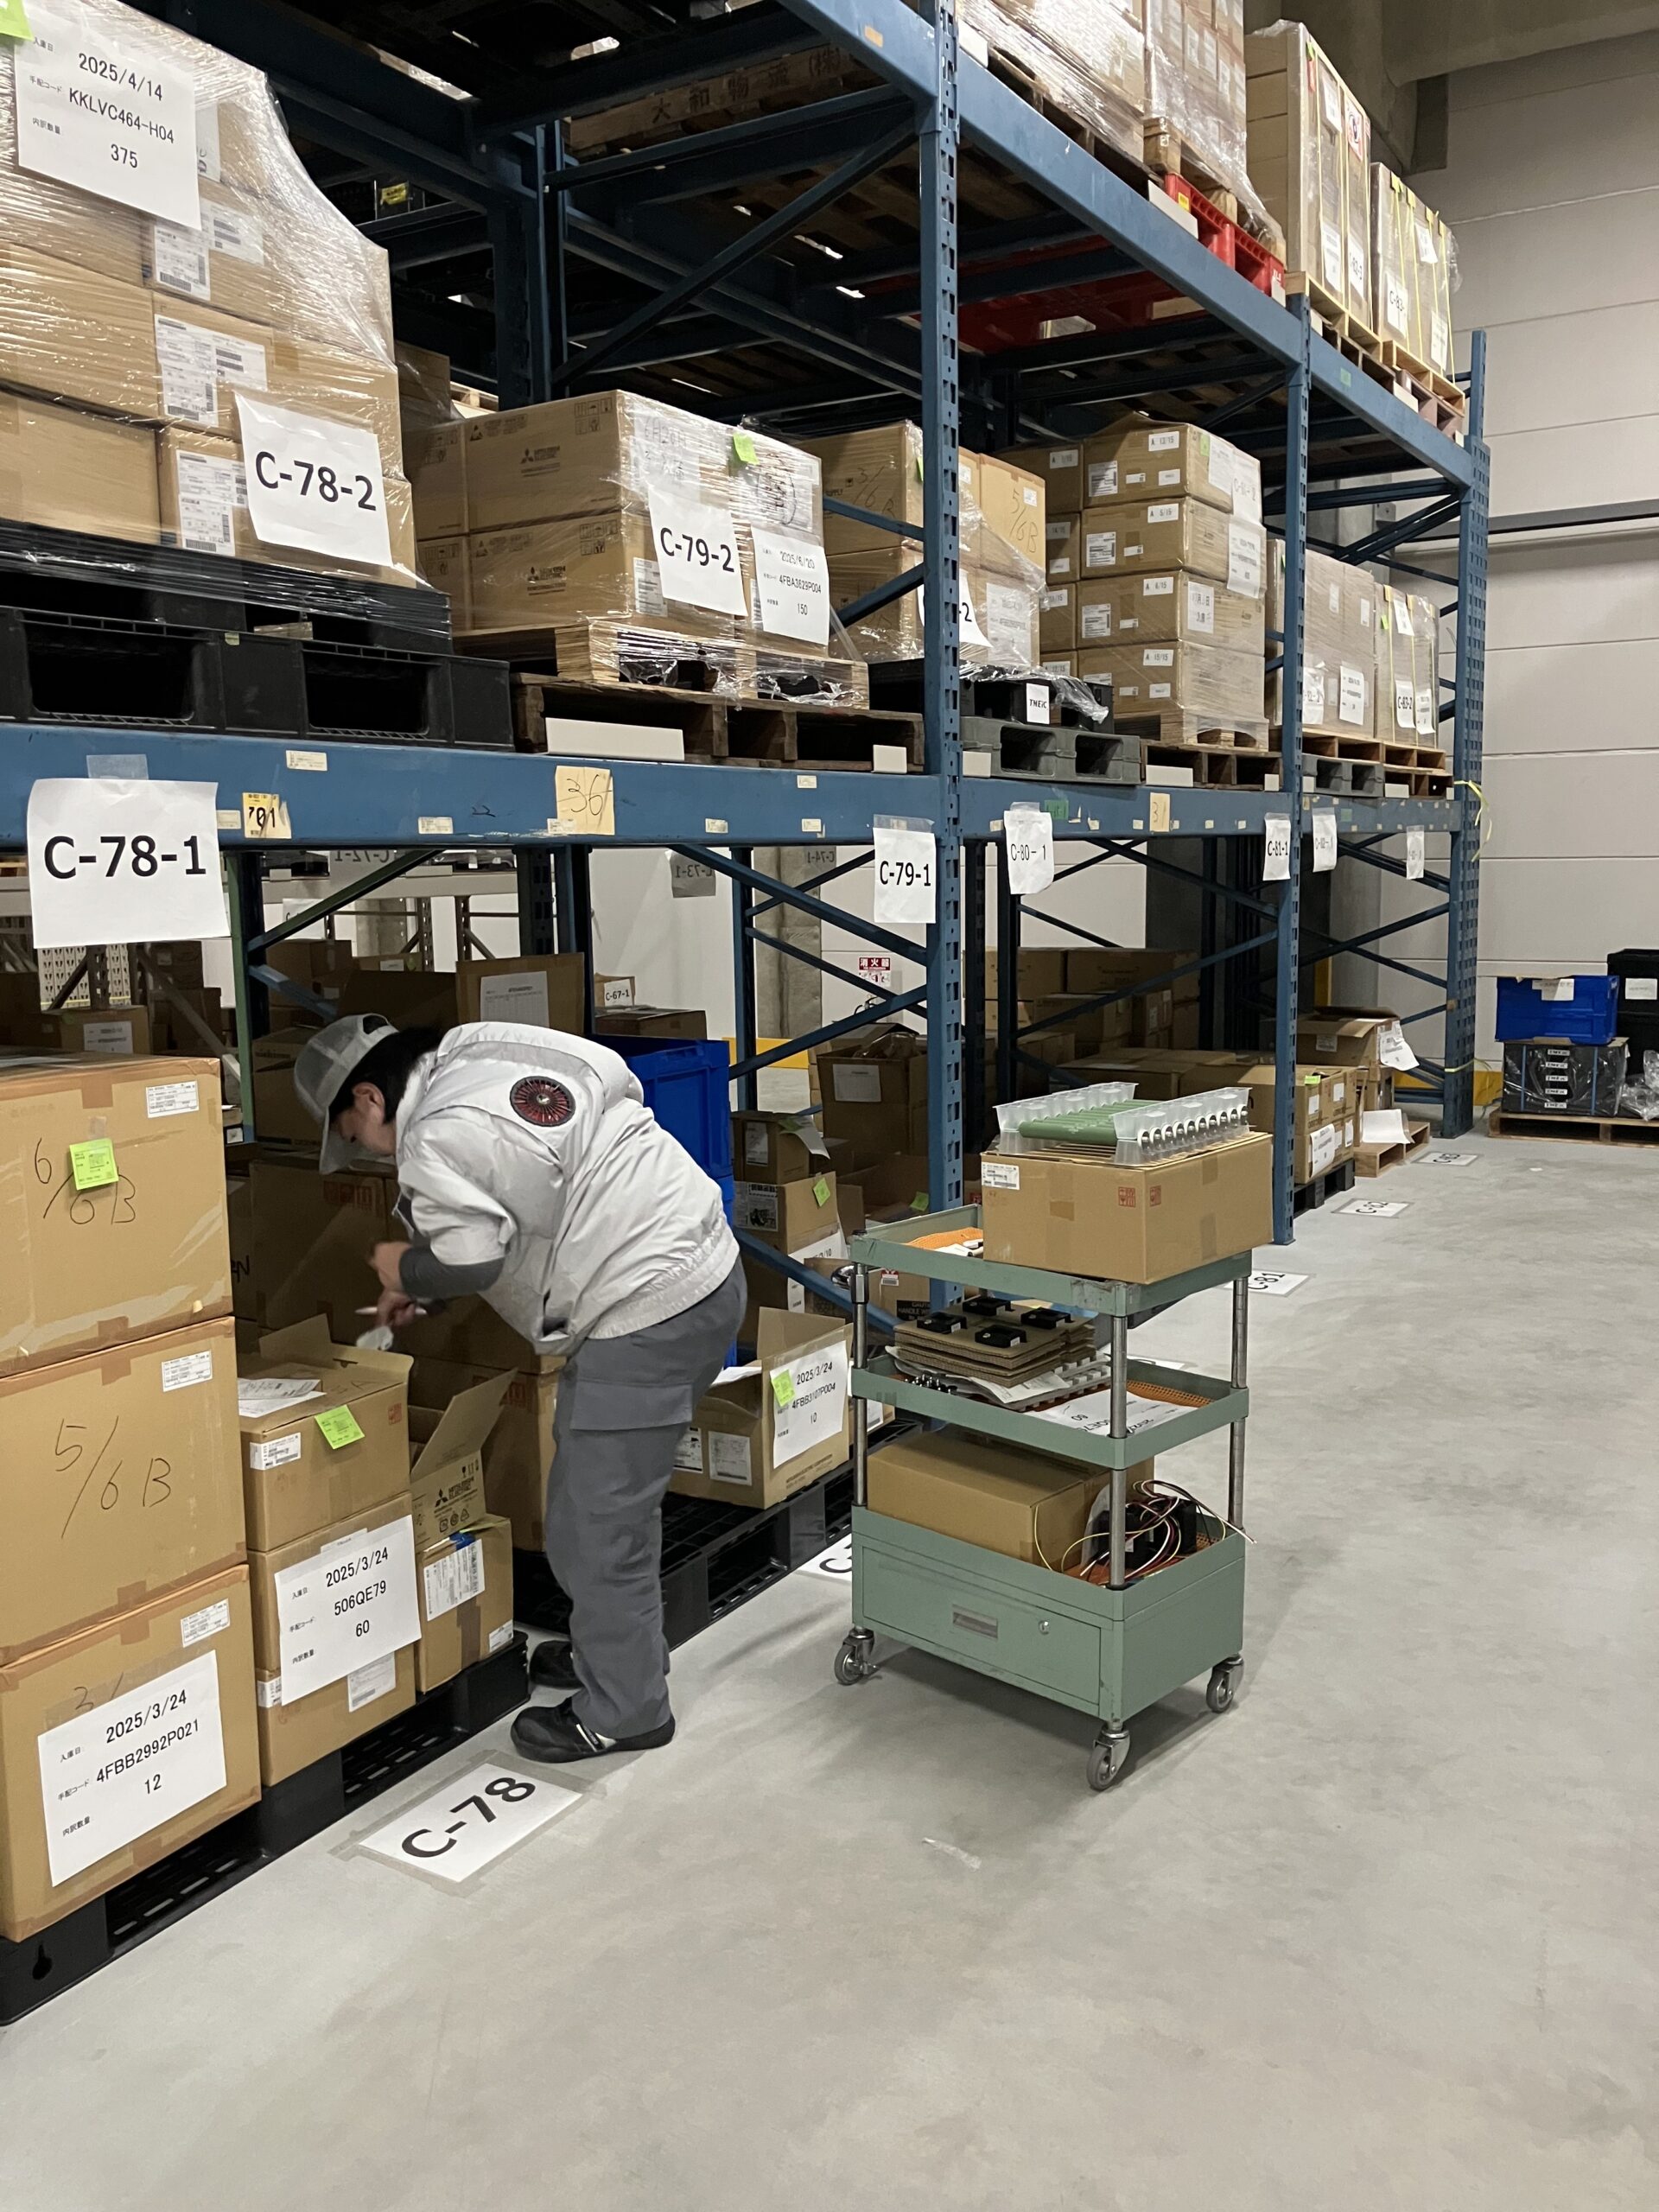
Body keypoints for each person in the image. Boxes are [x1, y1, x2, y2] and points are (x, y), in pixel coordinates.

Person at [294, 1013, 743, 1765]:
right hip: (699, 1268)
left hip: (643, 1311)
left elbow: (474, 1259)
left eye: (353, 1134)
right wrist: (430, 1283)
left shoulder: (431, 1133)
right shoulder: (485, 1053)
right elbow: (518, 1186)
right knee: (600, 1501)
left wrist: (405, 1269)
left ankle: (625, 1709)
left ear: (369, 1098)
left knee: (594, 1526)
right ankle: (617, 1651)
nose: (367, 1152)